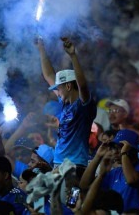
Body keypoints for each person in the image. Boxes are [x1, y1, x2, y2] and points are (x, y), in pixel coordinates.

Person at [36, 37, 97, 176]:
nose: (56, 91)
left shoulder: (83, 105)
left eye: (59, 88)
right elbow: (49, 75)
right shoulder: (64, 103)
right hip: (59, 164)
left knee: (68, 198)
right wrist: (41, 49)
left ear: (68, 86)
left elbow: (82, 85)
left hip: (74, 166)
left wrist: (73, 56)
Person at [80, 129, 139, 211]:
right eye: (114, 148)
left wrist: (124, 154)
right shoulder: (116, 172)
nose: (115, 152)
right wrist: (98, 157)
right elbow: (84, 185)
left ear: (132, 149)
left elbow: (132, 180)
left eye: (120, 148)